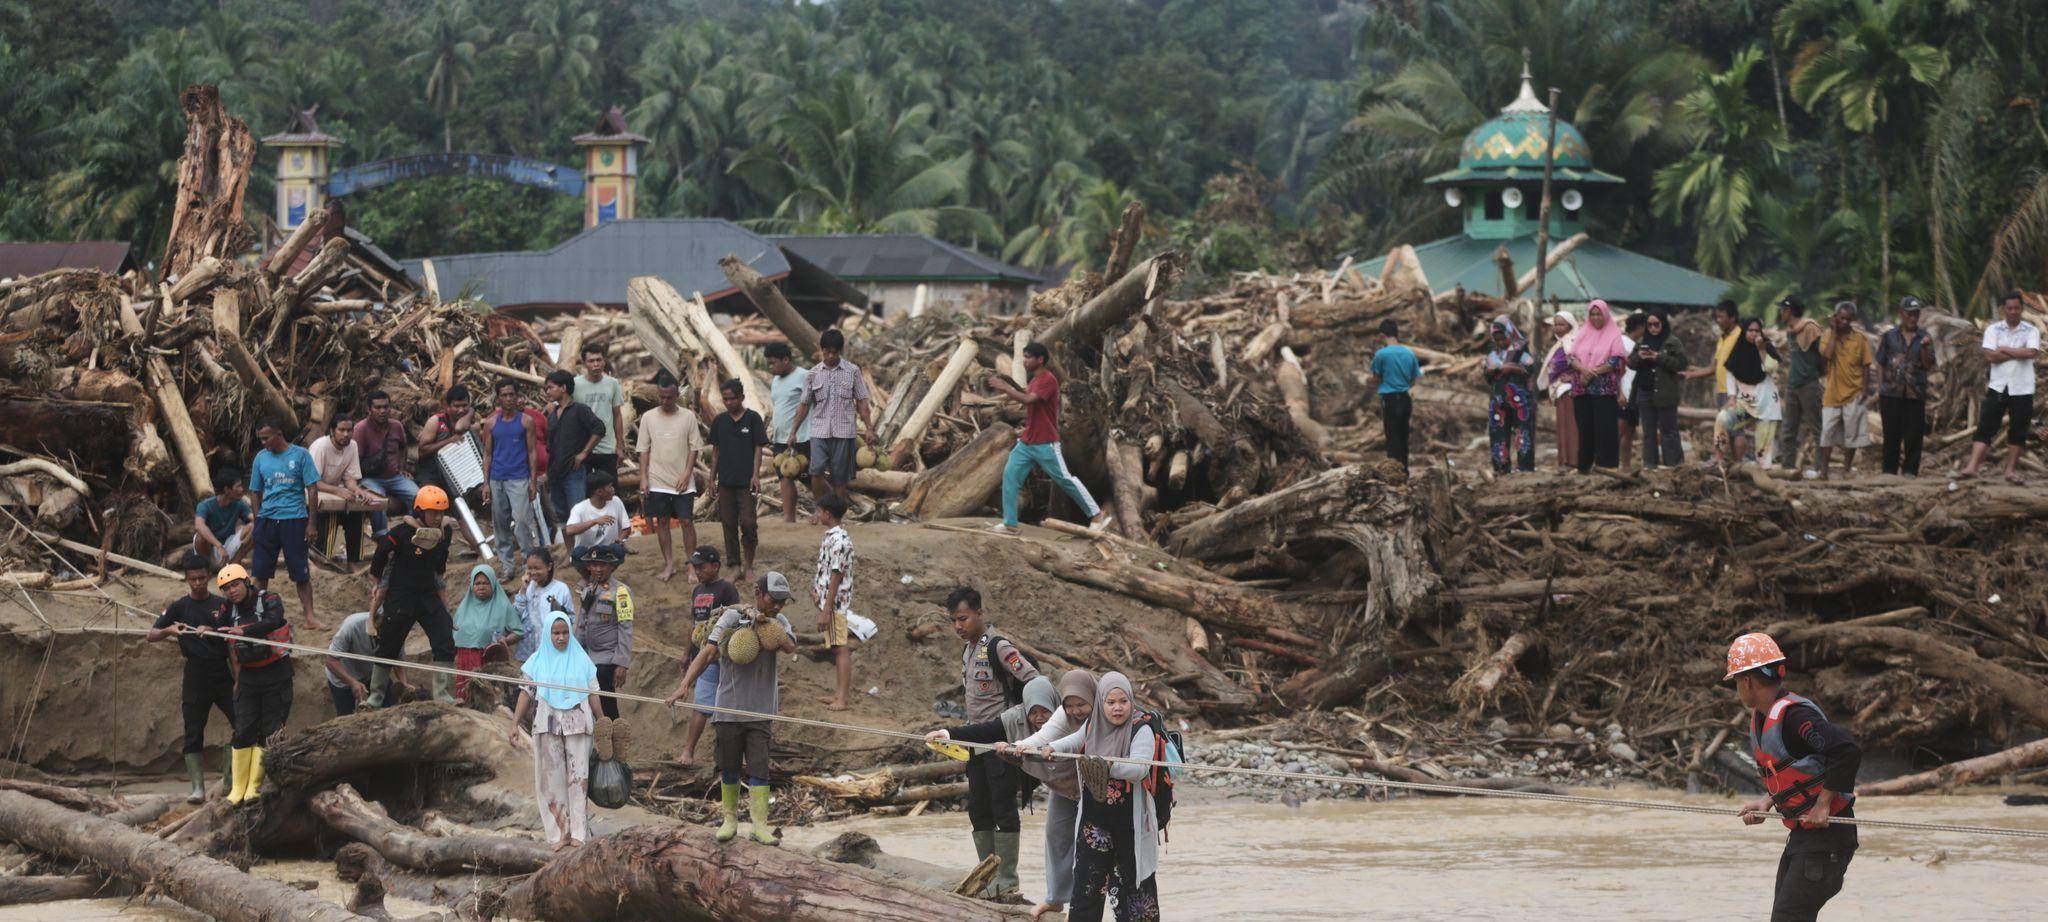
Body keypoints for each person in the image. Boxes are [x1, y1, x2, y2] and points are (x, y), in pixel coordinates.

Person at [1724, 632, 1861, 922]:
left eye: (1736, 681)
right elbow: (1794, 771)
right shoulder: (1764, 716)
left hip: (1828, 840)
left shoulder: (1796, 718)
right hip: (1803, 838)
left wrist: (1823, 804)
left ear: (1747, 681)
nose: (1738, 688)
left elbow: (1847, 751)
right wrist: (1767, 802)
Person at [664, 572, 799, 846]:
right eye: (775, 600)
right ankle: (730, 820)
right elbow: (708, 652)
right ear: (759, 592)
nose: (779, 606)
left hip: (761, 710)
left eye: (783, 602)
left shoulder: (779, 621)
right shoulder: (731, 619)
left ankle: (759, 825)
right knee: (729, 766)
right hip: (727, 707)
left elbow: (789, 646)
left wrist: (766, 622)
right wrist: (684, 685)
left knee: (760, 768)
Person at [928, 676, 1071, 903]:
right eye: (1034, 712)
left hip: (1076, 784)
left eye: (1045, 711)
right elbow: (983, 732)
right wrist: (947, 734)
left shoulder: (1067, 720)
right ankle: (991, 876)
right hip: (1057, 785)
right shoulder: (1014, 718)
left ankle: (1010, 879)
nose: (1040, 718)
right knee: (981, 811)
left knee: (1007, 812)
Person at [942, 586, 1044, 898]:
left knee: (1003, 806)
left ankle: (1007, 879)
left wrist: (1021, 719)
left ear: (979, 614)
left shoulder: (998, 647)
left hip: (1000, 740)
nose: (959, 626)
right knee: (978, 807)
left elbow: (1035, 681)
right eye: (954, 621)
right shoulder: (968, 650)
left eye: (963, 618)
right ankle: (986, 875)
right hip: (975, 741)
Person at [1040, 672, 1161, 922]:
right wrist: (1054, 748)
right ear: (1101, 703)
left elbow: (1140, 769)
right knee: (1087, 886)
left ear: (1131, 701)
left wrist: (1105, 766)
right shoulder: (1094, 723)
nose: (1117, 708)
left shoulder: (1142, 728)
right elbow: (1075, 741)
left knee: (1133, 891)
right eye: (1111, 702)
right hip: (1094, 827)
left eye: (1123, 702)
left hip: (1130, 827)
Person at [1002, 669, 1097, 920]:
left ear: (1093, 698)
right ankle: (1055, 899)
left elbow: (1078, 739)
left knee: (1088, 845)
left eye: (1081, 704)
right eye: (1070, 705)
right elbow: (1043, 735)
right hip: (1066, 786)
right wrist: (1017, 747)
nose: (1076, 711)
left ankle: (1083, 903)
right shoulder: (1063, 714)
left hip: (1096, 789)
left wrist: (1051, 747)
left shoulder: (1101, 715)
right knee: (1055, 837)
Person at [989, 342, 1111, 534]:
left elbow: (1029, 400)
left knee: (1065, 480)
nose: (1024, 361)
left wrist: (1005, 387)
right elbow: (1028, 401)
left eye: (1028, 357)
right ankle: (1010, 523)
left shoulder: (1048, 380)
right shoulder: (1035, 380)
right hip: (1027, 442)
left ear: (1040, 360)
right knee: (1010, 476)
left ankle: (1096, 514)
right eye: (1024, 357)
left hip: (1046, 443)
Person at [146, 554, 235, 802]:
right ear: (187, 579)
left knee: (242, 723)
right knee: (193, 730)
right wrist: (168, 630)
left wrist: (237, 677)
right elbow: (151, 635)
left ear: (209, 577)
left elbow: (232, 643)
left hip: (221, 671)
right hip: (195, 673)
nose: (198, 583)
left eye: (202, 578)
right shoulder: (179, 607)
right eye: (193, 579)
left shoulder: (222, 605)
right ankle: (197, 788)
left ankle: (229, 780)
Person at [204, 564, 293, 807]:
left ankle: (255, 786)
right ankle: (237, 788)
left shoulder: (270, 599)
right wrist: (207, 630)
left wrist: (243, 630)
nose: (231, 591)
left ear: (246, 582)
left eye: (235, 585)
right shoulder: (227, 608)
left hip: (276, 673)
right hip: (249, 677)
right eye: (226, 588)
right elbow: (220, 627)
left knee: (270, 729)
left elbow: (274, 621)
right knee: (243, 729)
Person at [510, 612, 600, 850]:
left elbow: (593, 693)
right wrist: (514, 723)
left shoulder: (582, 660)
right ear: (548, 634)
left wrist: (603, 721)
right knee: (551, 781)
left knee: (578, 779)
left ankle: (580, 833)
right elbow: (525, 692)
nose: (561, 637)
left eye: (564, 632)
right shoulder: (537, 661)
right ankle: (561, 832)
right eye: (556, 633)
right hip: (547, 724)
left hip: (578, 724)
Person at [367, 486, 459, 705]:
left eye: (441, 513)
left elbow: (440, 564)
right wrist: (376, 581)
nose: (437, 517)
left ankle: (443, 695)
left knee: (444, 638)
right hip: (401, 595)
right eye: (432, 512)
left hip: (428, 594)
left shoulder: (445, 533)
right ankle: (375, 697)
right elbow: (380, 554)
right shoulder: (401, 532)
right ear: (420, 511)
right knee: (388, 641)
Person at [785, 328, 876, 510]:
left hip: (844, 432)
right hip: (819, 431)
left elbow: (862, 402)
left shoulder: (853, 371)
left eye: (835, 352)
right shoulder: (813, 374)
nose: (831, 356)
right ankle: (821, 510)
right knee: (816, 472)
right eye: (827, 352)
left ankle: (838, 515)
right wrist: (793, 432)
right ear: (821, 350)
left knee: (839, 478)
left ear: (840, 351)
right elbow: (804, 405)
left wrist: (869, 428)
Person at [1959, 290, 2041, 483]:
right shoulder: (1993, 330)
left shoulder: (2031, 330)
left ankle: (2010, 471)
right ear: (2003, 309)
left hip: (2023, 387)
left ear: (2022, 309)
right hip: (1998, 386)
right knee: (1986, 425)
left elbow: (2031, 353)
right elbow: (1990, 356)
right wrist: (2017, 352)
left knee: (2018, 429)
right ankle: (1972, 467)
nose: (2013, 311)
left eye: (2017, 308)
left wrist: (2004, 349)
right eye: (2009, 308)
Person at [248, 420, 321, 629]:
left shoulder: (300, 455)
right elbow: (254, 490)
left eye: (266, 438)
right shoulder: (260, 458)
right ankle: (256, 613)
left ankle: (310, 616)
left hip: (294, 519)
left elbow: (312, 489)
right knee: (260, 572)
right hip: (268, 520)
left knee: (300, 572)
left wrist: (311, 523)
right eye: (260, 439)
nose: (263, 443)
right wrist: (258, 518)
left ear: (278, 433)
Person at [635, 372, 701, 582]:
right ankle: (669, 564)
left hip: (682, 480)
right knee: (662, 521)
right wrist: (643, 478)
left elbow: (694, 448)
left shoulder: (688, 417)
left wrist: (687, 473)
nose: (665, 401)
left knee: (686, 521)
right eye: (662, 397)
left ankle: (691, 565)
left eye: (669, 397)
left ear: (676, 395)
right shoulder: (648, 417)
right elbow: (643, 449)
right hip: (657, 479)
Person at [680, 546, 742, 763]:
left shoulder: (727, 589)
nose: (698, 571)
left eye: (702, 567)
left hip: (720, 656)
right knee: (701, 704)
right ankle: (688, 750)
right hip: (700, 655)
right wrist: (686, 653)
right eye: (695, 567)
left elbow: (735, 617)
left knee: (724, 707)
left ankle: (725, 754)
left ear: (715, 566)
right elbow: (694, 625)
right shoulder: (697, 591)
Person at [1553, 299, 1628, 473]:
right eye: (1592, 314)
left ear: (1605, 315)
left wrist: (1591, 372)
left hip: (1604, 389)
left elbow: (1615, 360)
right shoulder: (1583, 333)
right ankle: (1585, 466)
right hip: (1582, 387)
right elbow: (1571, 358)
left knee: (1605, 427)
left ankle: (1607, 466)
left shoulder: (1614, 334)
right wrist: (1585, 371)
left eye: (1599, 314)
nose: (1595, 318)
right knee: (1585, 427)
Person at [478, 379, 542, 578]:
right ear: (498, 398)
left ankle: (528, 564)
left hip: (519, 478)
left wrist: (533, 481)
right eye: (504, 395)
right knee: (500, 523)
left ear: (517, 396)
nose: (508, 399)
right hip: (497, 478)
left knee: (523, 521)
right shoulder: (491, 422)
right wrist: (486, 482)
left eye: (511, 394)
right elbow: (488, 454)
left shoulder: (525, 421)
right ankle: (507, 566)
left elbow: (532, 452)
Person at [706, 378, 768, 580]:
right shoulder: (720, 421)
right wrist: (711, 478)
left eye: (732, 399)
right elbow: (715, 451)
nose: (728, 403)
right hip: (725, 482)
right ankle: (734, 565)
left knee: (749, 524)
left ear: (741, 397)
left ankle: (749, 564)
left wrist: (755, 475)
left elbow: (758, 449)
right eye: (725, 399)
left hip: (746, 482)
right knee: (728, 524)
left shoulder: (753, 419)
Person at [1875, 296, 1938, 476]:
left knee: (1913, 435)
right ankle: (1889, 471)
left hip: (1915, 394)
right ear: (1901, 314)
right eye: (1909, 314)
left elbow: (1928, 366)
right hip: (1890, 394)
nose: (1913, 318)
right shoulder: (1889, 337)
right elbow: (1880, 361)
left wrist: (1925, 348)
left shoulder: (1924, 337)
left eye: (1916, 314)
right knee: (1891, 435)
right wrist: (1881, 386)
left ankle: (1910, 470)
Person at [310, 412, 380, 572]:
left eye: (349, 430)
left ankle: (353, 561)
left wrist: (357, 490)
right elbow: (313, 482)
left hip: (333, 490)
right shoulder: (321, 446)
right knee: (331, 512)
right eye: (341, 430)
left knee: (356, 511)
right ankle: (321, 559)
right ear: (332, 431)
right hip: (312, 493)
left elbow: (350, 478)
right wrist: (338, 491)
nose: (346, 434)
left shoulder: (353, 446)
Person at [1681, 300, 1745, 466]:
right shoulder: (1723, 339)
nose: (1718, 320)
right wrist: (1691, 375)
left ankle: (1736, 462)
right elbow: (1714, 367)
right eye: (1717, 317)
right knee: (1727, 428)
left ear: (1732, 318)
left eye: (1721, 317)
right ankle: (1729, 463)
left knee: (1737, 430)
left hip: (1735, 392)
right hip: (1722, 390)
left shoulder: (1740, 337)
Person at [573, 544, 634, 721]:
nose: (598, 569)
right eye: (594, 565)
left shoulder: (621, 592)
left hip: (606, 660)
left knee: (607, 707)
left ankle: (616, 743)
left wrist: (622, 663)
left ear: (611, 566)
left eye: (602, 565)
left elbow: (626, 628)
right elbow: (582, 625)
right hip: (587, 658)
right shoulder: (588, 589)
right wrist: (574, 654)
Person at [1817, 302, 1875, 480]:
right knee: (1827, 432)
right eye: (1841, 318)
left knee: (1852, 434)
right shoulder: (1827, 336)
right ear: (1835, 317)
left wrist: (1865, 390)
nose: (1844, 322)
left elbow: (1866, 365)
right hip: (1832, 393)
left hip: (1854, 392)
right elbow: (1826, 357)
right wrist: (1834, 332)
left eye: (1848, 319)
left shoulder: (1860, 339)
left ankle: (1847, 469)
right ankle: (1824, 471)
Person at [1716, 318, 1783, 468]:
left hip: (1766, 401)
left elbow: (1771, 368)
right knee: (1723, 420)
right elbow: (1730, 372)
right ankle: (1720, 460)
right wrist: (1732, 397)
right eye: (1750, 330)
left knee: (1763, 443)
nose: (1753, 334)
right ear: (1745, 332)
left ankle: (1763, 471)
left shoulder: (1766, 347)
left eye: (1757, 331)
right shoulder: (1739, 348)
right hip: (1745, 401)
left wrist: (1761, 350)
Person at [541, 370, 604, 530]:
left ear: (563, 387)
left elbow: (599, 428)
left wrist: (583, 453)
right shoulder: (552, 415)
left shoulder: (579, 410)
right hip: (555, 473)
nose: (547, 391)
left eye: (550, 387)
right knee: (563, 518)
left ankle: (585, 552)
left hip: (574, 471)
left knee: (578, 513)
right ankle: (571, 553)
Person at [451, 564, 523, 701]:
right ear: (472, 585)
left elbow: (518, 631)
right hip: (465, 658)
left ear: (494, 584)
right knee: (467, 696)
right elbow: (454, 635)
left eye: (486, 583)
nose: (481, 587)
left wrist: (505, 640)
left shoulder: (502, 606)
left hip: (490, 659)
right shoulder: (464, 607)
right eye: (477, 583)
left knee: (488, 697)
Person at [353, 391, 417, 538]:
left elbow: (403, 447)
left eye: (385, 407)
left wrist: (402, 468)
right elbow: (355, 459)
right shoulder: (361, 429)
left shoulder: (396, 426)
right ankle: (382, 536)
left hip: (395, 477)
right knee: (378, 501)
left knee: (418, 496)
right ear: (369, 409)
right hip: (370, 478)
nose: (382, 411)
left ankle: (413, 532)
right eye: (378, 407)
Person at [812, 493, 856, 712]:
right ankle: (838, 694)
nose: (817, 515)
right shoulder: (832, 536)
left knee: (841, 649)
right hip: (831, 602)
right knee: (837, 647)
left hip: (836, 604)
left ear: (827, 513)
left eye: (819, 511)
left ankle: (843, 699)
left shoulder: (839, 540)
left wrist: (826, 607)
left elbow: (837, 574)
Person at [1628, 311, 1688, 468]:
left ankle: (1674, 465)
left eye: (1656, 324)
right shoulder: (1642, 342)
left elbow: (1681, 364)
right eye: (1650, 325)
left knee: (1668, 431)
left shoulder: (1672, 341)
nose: (1653, 328)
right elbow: (1630, 363)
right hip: (1645, 391)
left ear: (1663, 324)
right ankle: (1650, 465)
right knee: (1648, 432)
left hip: (1665, 391)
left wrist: (1659, 357)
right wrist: (1640, 356)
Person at [1777, 298, 1825, 476]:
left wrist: (1815, 373)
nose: (1780, 313)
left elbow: (1823, 355)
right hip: (1792, 384)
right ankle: (1787, 467)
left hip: (1808, 384)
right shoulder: (1790, 331)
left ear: (1789, 311)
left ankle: (1821, 468)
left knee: (1816, 427)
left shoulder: (1811, 328)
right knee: (1789, 428)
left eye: (1782, 310)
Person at [1482, 317, 1536, 474]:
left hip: (1520, 401)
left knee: (1523, 432)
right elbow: (1487, 377)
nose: (1500, 341)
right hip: (1498, 401)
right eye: (1496, 339)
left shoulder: (1521, 351)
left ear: (1510, 334)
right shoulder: (1492, 354)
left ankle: (1525, 467)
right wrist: (1489, 371)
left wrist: (1514, 368)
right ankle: (1501, 467)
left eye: (1502, 337)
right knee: (1498, 434)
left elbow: (1530, 369)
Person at [765, 343, 811, 523]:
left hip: (802, 436)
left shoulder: (804, 376)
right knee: (783, 476)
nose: (770, 367)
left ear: (786, 360)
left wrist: (795, 431)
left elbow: (806, 406)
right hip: (780, 438)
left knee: (809, 478)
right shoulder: (776, 381)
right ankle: (789, 519)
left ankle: (828, 510)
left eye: (773, 363)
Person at [1368, 319, 1420, 472]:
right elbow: (1413, 379)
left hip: (1389, 399)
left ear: (1383, 335)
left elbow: (1376, 378)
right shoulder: (1409, 353)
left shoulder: (1381, 354)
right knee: (1403, 437)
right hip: (1405, 398)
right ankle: (1404, 470)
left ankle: (1394, 472)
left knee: (1392, 438)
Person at [325, 608, 399, 716]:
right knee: (346, 720)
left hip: (373, 674)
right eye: (380, 626)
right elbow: (331, 661)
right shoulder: (351, 626)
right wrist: (352, 682)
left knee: (390, 710)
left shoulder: (395, 628)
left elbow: (397, 657)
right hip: (343, 677)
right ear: (374, 620)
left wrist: (404, 682)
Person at [574, 345, 627, 480]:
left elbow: (617, 416)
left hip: (607, 448)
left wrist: (619, 446)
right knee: (584, 492)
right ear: (584, 363)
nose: (596, 364)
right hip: (582, 448)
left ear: (605, 361)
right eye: (591, 361)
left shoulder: (612, 383)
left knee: (609, 490)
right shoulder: (575, 384)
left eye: (599, 360)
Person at [512, 549, 573, 663]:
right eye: (530, 568)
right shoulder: (528, 588)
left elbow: (570, 618)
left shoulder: (561, 589)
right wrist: (523, 590)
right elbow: (515, 615)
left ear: (549, 566)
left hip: (552, 646)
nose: (533, 572)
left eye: (537, 568)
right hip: (529, 647)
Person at [1537, 311, 1579, 470]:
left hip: (1570, 390)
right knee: (1562, 427)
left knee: (1571, 426)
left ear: (1571, 326)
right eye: (1555, 324)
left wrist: (1573, 378)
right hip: (1560, 389)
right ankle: (1564, 461)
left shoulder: (1573, 342)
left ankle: (1573, 460)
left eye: (1561, 324)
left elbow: (1580, 362)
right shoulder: (1559, 344)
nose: (1557, 328)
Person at [415, 385, 476, 492]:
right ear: (447, 407)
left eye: (465, 406)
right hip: (431, 472)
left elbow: (460, 428)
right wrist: (450, 441)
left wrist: (470, 412)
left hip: (458, 472)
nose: (461, 410)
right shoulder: (436, 421)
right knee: (431, 498)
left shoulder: (470, 422)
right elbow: (422, 451)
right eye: (456, 406)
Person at [192, 470, 253, 568]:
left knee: (255, 526)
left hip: (228, 546)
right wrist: (219, 546)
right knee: (200, 537)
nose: (242, 489)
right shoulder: (205, 505)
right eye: (238, 486)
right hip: (211, 549)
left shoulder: (239, 504)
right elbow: (199, 525)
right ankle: (206, 567)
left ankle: (234, 565)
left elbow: (255, 519)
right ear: (227, 489)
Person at [564, 472, 632, 559]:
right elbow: (570, 530)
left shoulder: (616, 501)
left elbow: (627, 529)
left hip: (608, 550)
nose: (613, 489)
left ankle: (608, 570)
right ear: (599, 492)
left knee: (617, 550)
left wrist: (620, 540)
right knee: (577, 553)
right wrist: (594, 521)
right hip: (588, 551)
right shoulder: (579, 508)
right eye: (610, 486)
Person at [1616, 313, 1643, 474]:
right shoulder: (1625, 345)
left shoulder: (1632, 344)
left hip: (1632, 393)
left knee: (1629, 432)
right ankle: (1616, 463)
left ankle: (1625, 465)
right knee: (1622, 431)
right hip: (1625, 392)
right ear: (1639, 328)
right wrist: (1620, 393)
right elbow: (1618, 371)